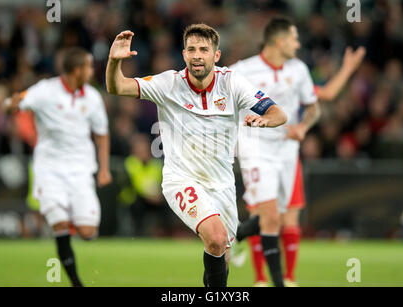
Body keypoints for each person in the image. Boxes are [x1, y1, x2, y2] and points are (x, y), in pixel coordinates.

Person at [106, 23, 287, 287]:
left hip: (222, 184)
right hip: (182, 179)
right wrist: (113, 62)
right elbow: (117, 87)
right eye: (191, 49)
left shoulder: (232, 82)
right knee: (215, 237)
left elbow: (278, 113)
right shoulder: (168, 83)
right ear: (184, 54)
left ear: (216, 55)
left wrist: (264, 122)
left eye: (204, 49)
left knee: (220, 254)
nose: (197, 55)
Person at [230, 16, 366, 287]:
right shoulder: (242, 70)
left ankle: (237, 237)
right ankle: (268, 281)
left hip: (288, 152)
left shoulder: (299, 70)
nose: (298, 43)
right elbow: (215, 92)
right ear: (279, 41)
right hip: (255, 148)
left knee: (281, 215)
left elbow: (318, 102)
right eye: (294, 38)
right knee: (269, 215)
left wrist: (303, 126)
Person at [4, 47, 112, 287]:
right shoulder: (46, 91)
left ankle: (68, 215)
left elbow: (102, 134)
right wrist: (10, 104)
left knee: (87, 232)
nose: (91, 71)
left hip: (81, 170)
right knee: (60, 225)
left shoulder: (92, 97)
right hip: (49, 169)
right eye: (88, 66)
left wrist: (103, 168)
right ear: (76, 70)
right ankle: (76, 282)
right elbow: (19, 102)